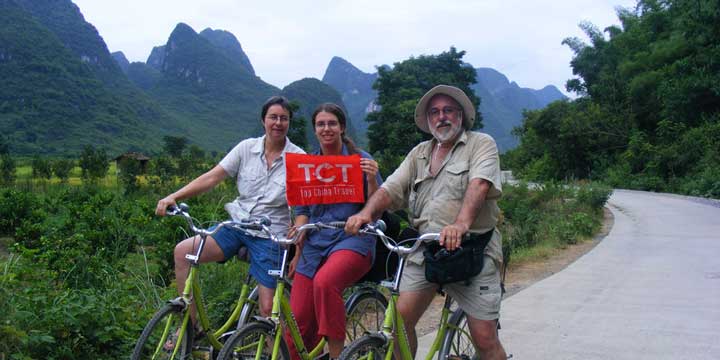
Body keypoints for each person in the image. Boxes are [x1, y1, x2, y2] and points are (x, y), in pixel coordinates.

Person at [345, 85, 507, 359]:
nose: (441, 117)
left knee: (484, 337)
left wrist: (460, 224)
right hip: (427, 250)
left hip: (472, 250)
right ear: (428, 120)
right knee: (397, 322)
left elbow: (479, 184)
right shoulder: (419, 153)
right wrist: (365, 213)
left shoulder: (481, 144)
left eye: (448, 111)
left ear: (461, 115)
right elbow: (390, 189)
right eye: (434, 112)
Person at [155, 95, 305, 320]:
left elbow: (305, 206)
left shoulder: (299, 157)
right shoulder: (246, 148)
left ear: (289, 123)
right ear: (263, 120)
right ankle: (190, 328)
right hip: (237, 225)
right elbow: (212, 177)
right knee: (183, 252)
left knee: (267, 309)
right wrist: (174, 196)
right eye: (273, 117)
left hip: (270, 236)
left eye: (284, 118)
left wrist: (299, 248)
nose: (278, 123)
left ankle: (282, 349)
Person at [286, 103, 383, 360]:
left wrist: (372, 179)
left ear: (341, 127)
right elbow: (303, 210)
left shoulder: (362, 161)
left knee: (326, 282)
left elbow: (377, 208)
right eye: (321, 124)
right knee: (296, 324)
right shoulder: (308, 164)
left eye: (331, 123)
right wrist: (299, 238)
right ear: (315, 130)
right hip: (316, 243)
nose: (326, 128)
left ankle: (337, 355)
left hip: (353, 239)